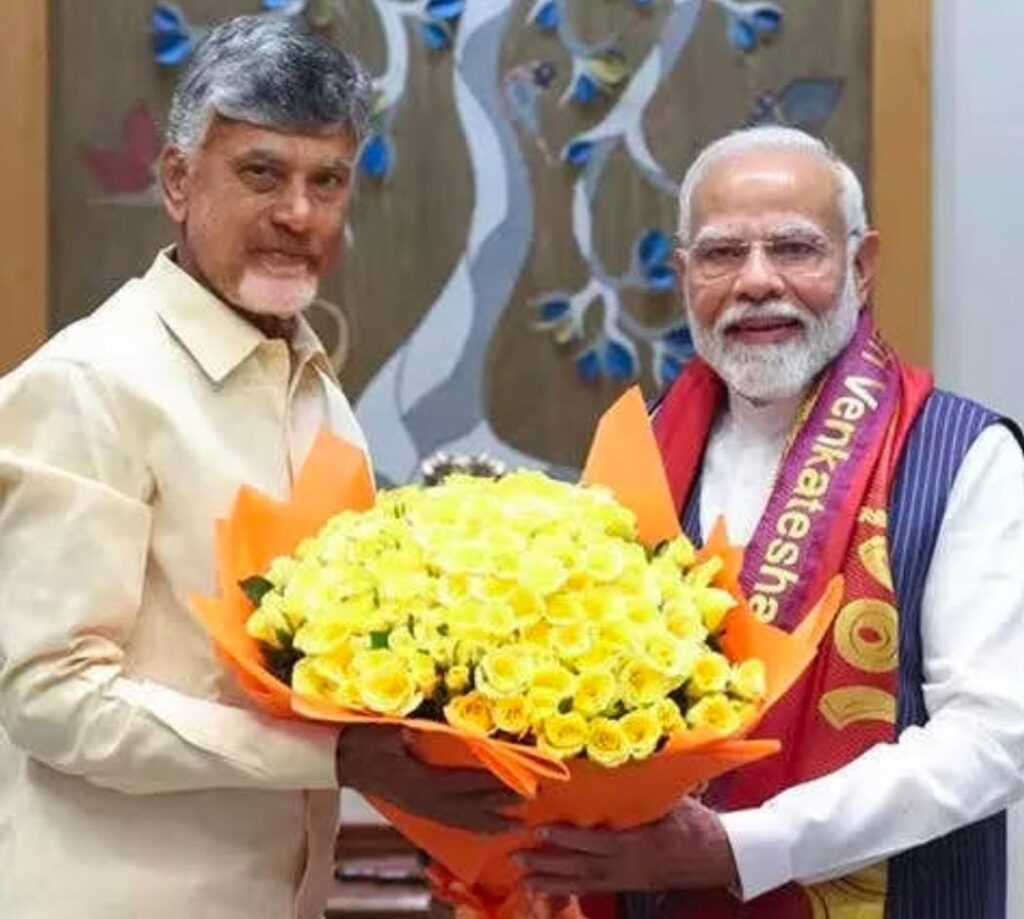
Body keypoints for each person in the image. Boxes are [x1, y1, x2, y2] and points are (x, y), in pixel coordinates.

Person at [0, 15, 516, 919]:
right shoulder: (88, 384)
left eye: (329, 180)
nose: (299, 214)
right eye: (261, 173)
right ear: (176, 181)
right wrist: (334, 756)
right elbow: (49, 696)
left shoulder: (315, 390)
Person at [518, 127, 1024, 918]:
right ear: (685, 276)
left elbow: (996, 735)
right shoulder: (638, 451)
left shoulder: (963, 454)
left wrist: (742, 847)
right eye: (722, 255)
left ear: (861, 265)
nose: (757, 281)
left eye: (795, 248)